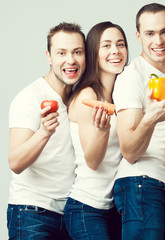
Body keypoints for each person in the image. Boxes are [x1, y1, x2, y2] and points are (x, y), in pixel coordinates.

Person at [112, 3, 165, 240]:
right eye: (150, 34)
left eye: (164, 32)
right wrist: (151, 118)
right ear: (138, 36)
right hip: (141, 183)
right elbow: (129, 151)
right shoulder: (130, 77)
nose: (158, 41)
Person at [7, 22, 86, 239]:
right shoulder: (30, 98)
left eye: (77, 52)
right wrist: (44, 132)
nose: (70, 60)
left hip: (70, 216)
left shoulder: (80, 99)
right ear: (49, 56)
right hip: (33, 213)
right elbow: (15, 162)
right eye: (62, 53)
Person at [63, 21, 128, 240]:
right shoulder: (87, 97)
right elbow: (92, 161)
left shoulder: (120, 96)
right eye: (106, 46)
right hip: (85, 208)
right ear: (93, 52)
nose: (115, 51)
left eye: (120, 44)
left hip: (113, 209)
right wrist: (102, 130)